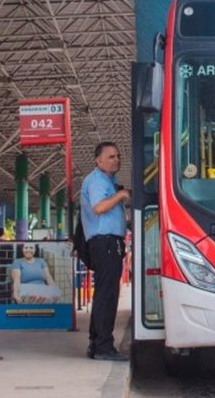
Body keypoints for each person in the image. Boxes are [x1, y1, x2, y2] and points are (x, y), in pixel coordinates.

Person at [80, 141, 130, 361]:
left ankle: (97, 343)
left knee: (105, 293)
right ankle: (103, 347)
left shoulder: (109, 181)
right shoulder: (98, 180)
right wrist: (121, 195)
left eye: (117, 156)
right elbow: (99, 208)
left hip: (110, 243)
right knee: (107, 295)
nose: (116, 159)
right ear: (98, 160)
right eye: (111, 156)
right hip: (104, 243)